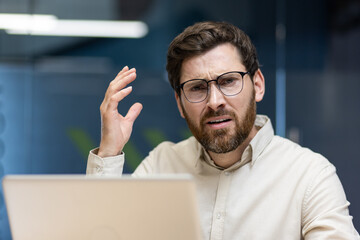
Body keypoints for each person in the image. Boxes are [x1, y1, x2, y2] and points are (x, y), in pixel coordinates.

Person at [87, 21, 359, 239]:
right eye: (197, 87)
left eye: (228, 81)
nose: (214, 101)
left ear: (258, 85)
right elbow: (97, 233)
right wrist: (110, 152)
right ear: (180, 104)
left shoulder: (309, 176)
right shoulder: (161, 165)